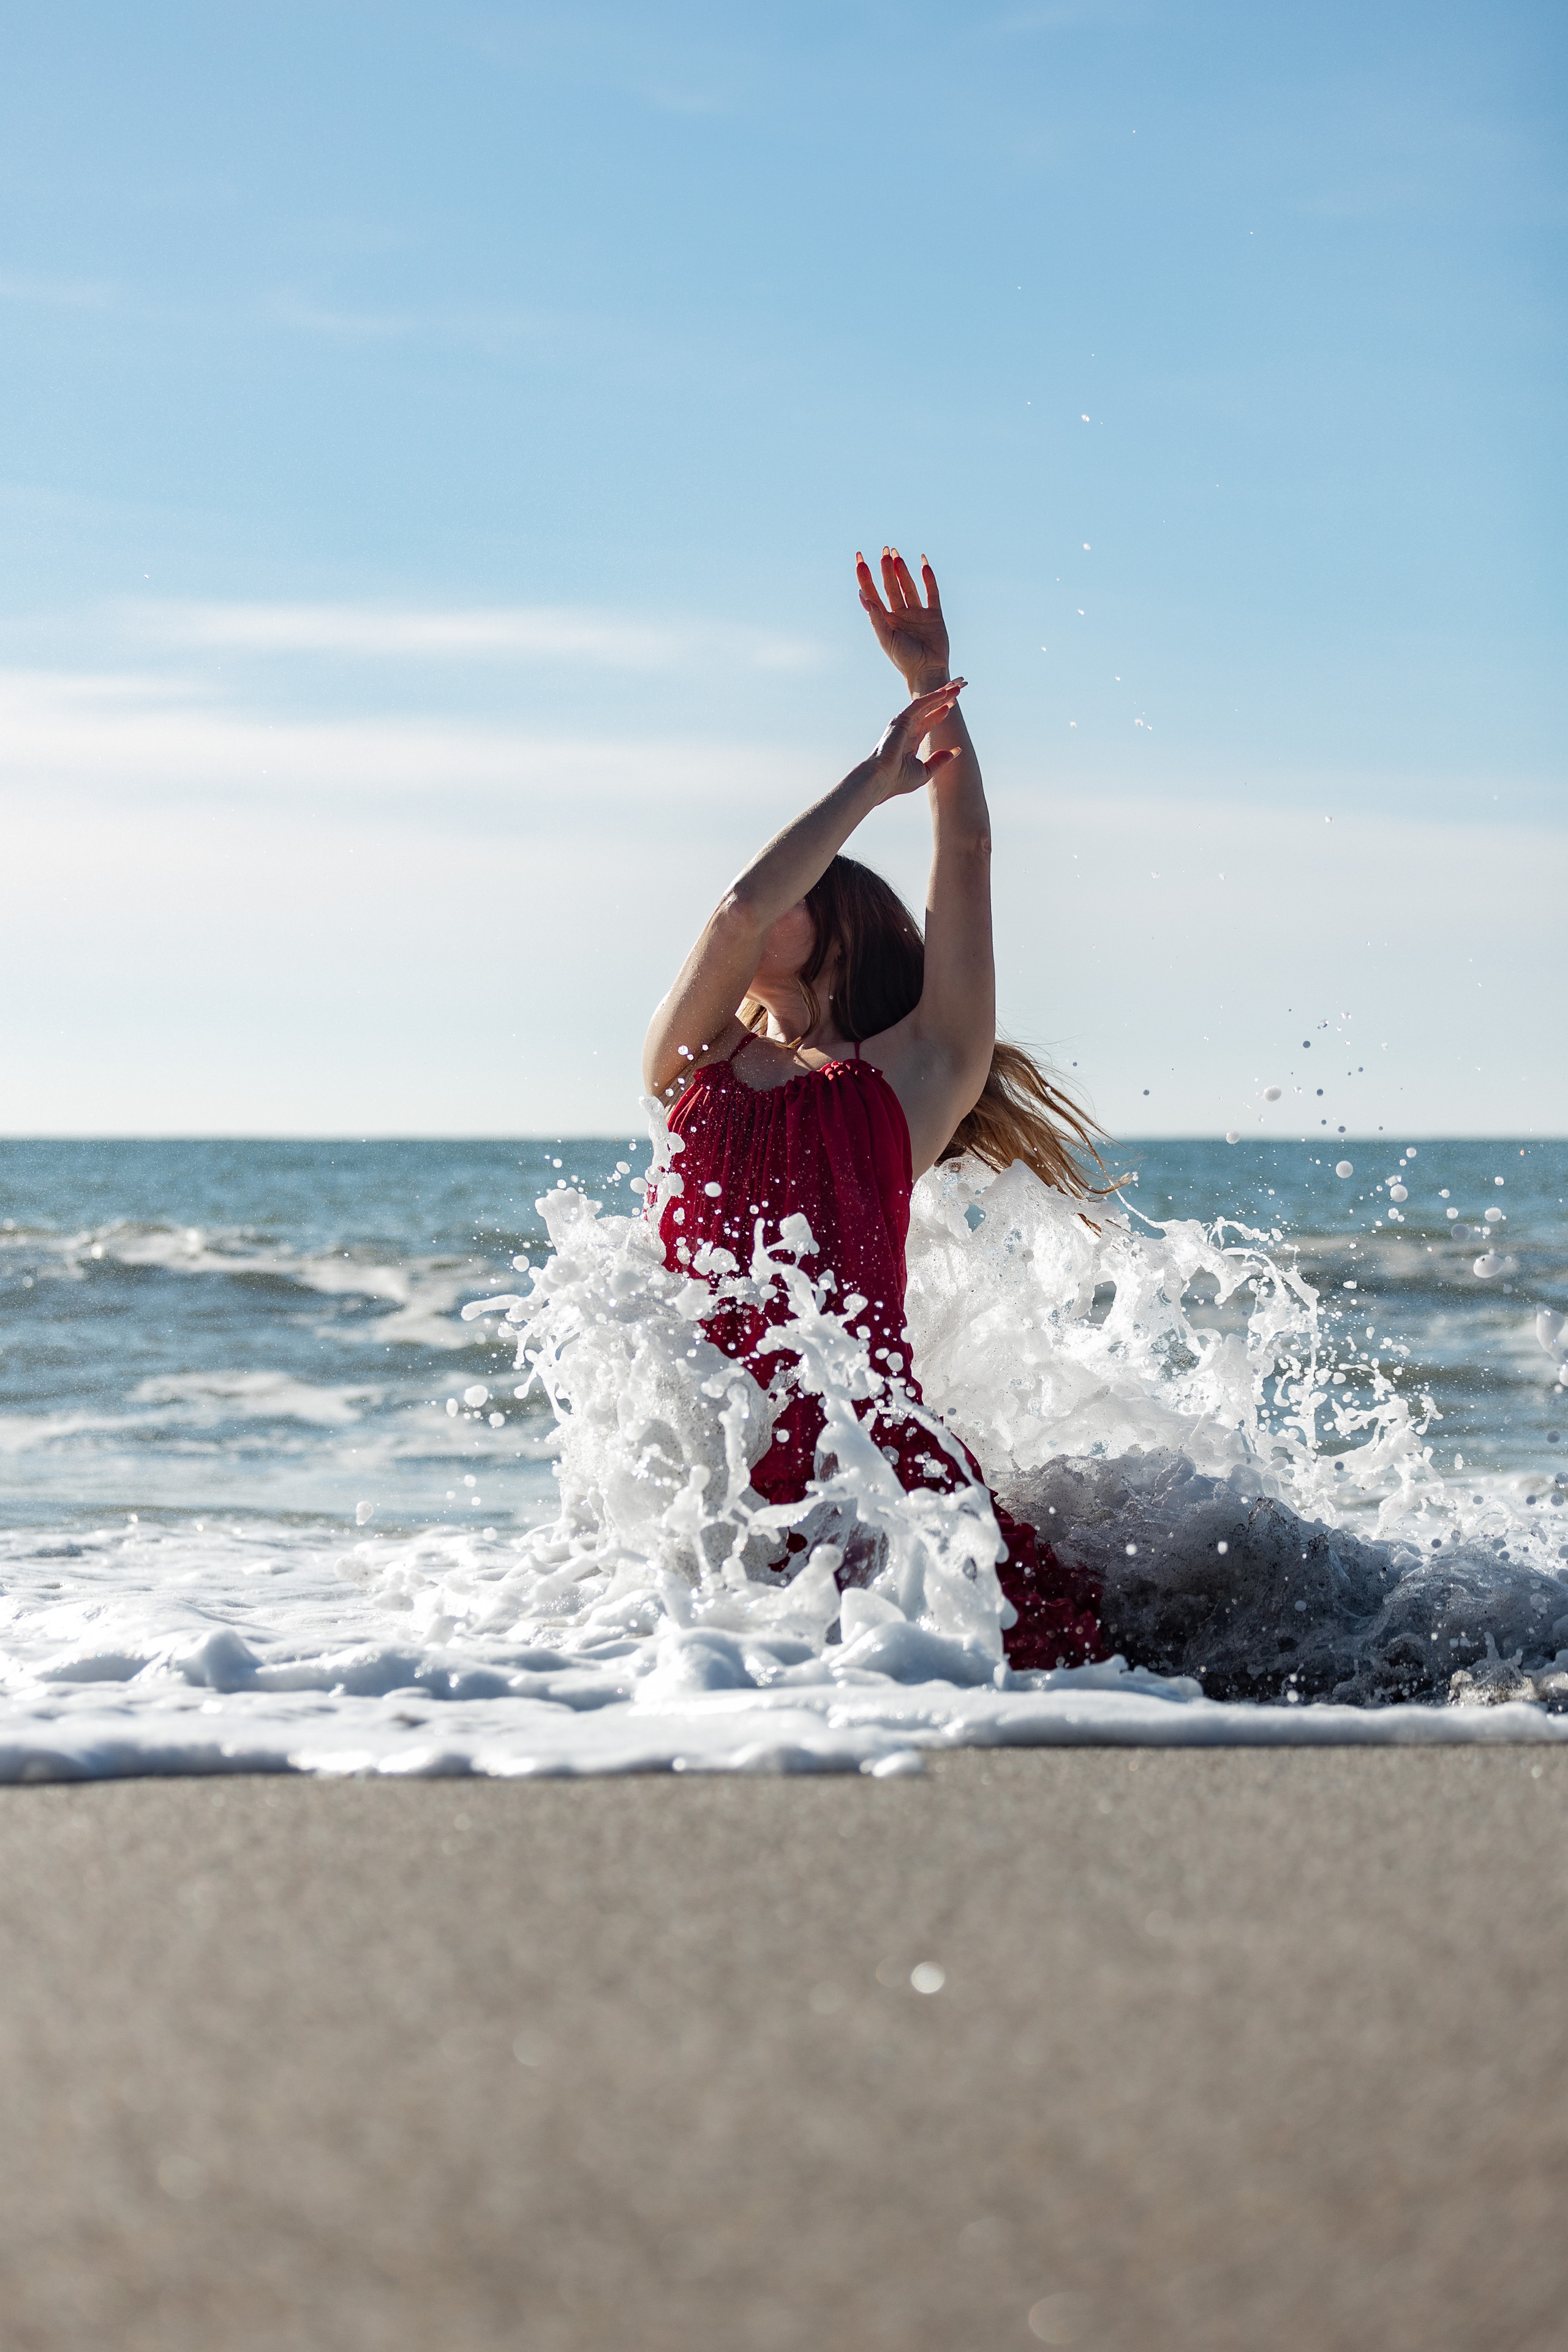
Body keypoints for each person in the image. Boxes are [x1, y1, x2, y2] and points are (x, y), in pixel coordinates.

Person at [641, 548, 1106, 1670]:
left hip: (872, 1469)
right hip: (707, 1468)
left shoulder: (920, 1071)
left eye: (809, 886)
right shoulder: (690, 1062)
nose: (771, 903)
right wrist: (870, 774)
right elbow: (739, 904)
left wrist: (928, 707)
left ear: (842, 914)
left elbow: (970, 854)